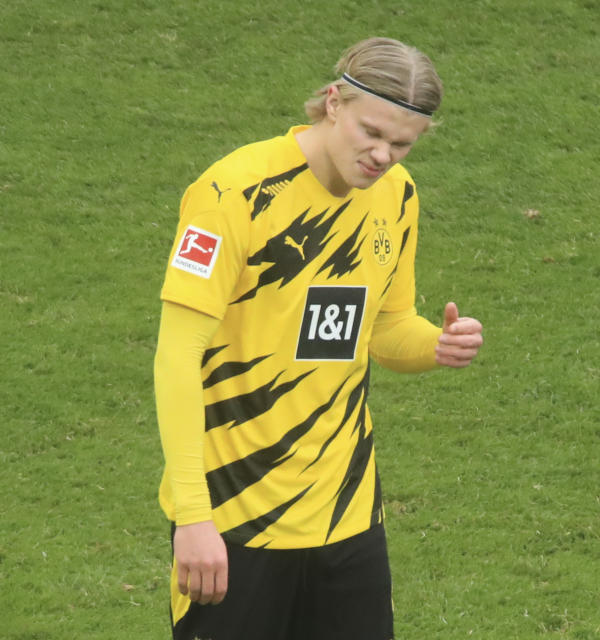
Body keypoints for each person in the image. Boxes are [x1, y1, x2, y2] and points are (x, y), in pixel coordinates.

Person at [153, 37, 483, 640]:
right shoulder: (234, 194)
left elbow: (385, 328)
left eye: (402, 144)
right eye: (372, 134)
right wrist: (194, 518)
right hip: (235, 516)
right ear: (334, 102)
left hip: (347, 515)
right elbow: (176, 357)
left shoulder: (397, 197)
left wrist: (435, 345)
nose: (383, 156)